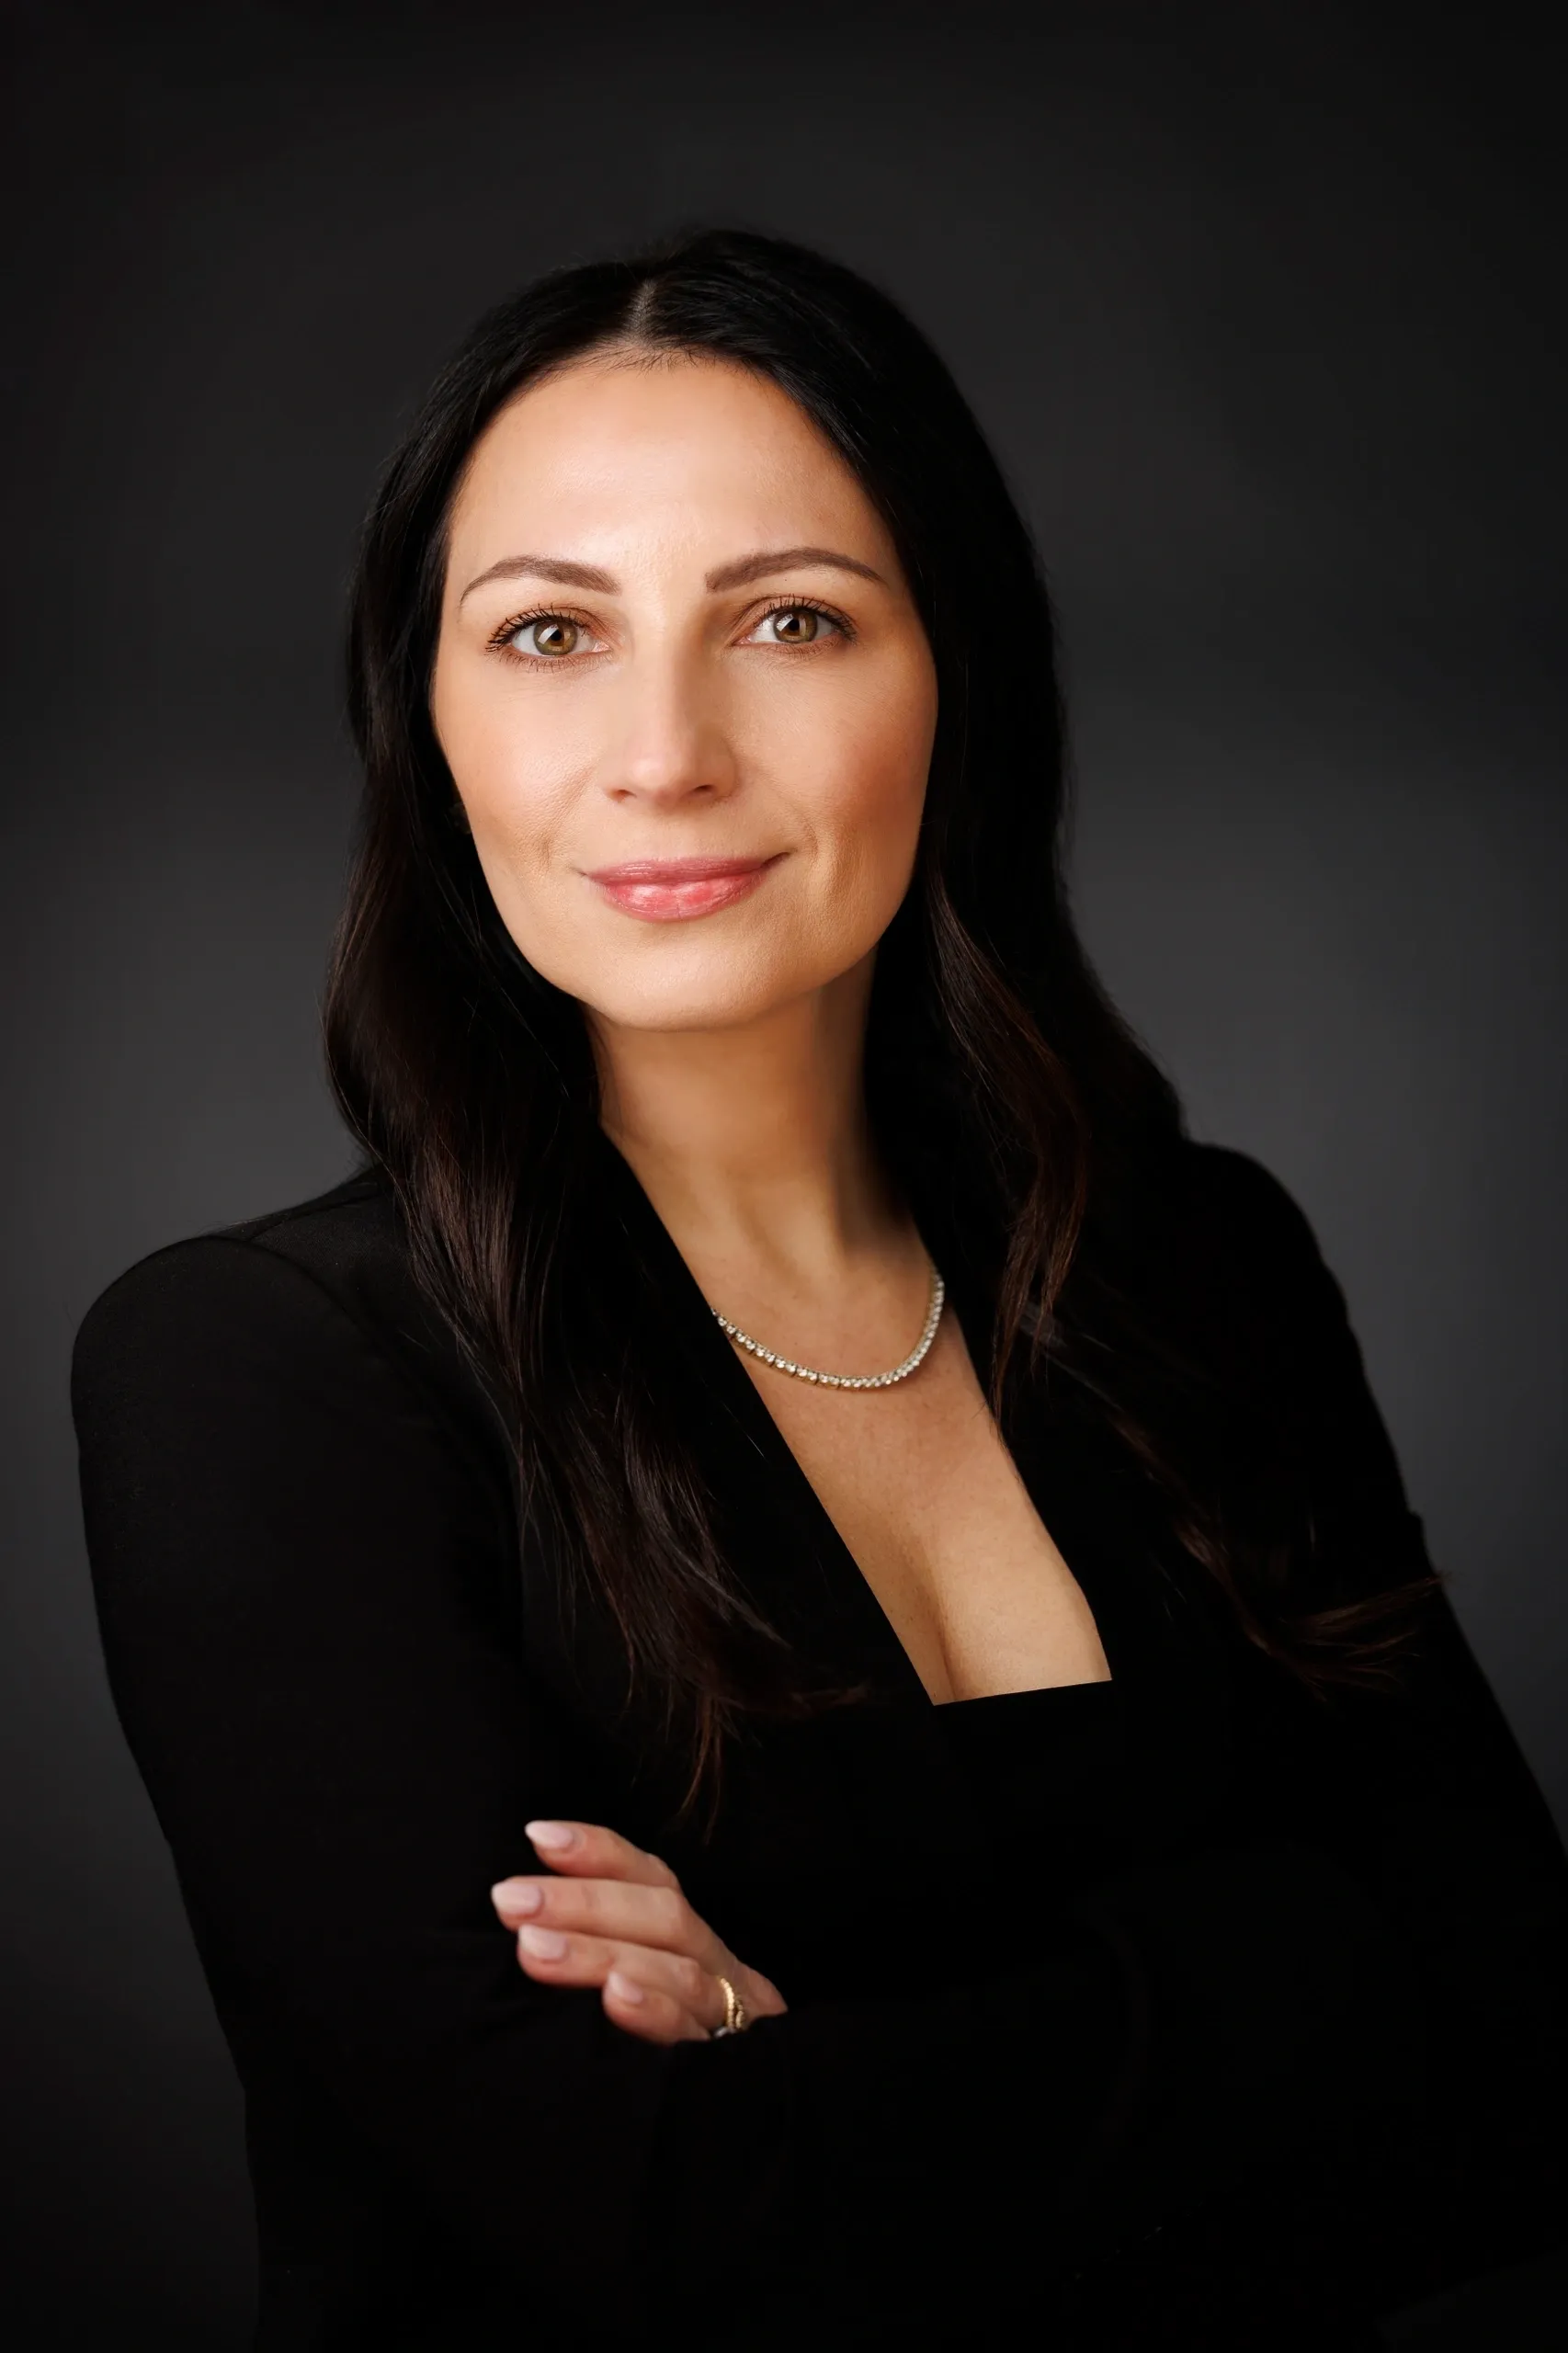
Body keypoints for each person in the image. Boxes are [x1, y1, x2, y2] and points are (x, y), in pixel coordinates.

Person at [71, 227, 1568, 2349]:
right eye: (546, 633)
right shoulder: (264, 1372)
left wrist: (820, 2052)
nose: (663, 749)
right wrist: (1302, 1969)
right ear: (427, 720)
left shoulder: (1199, 1264)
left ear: (950, 672)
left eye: (788, 618)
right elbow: (650, 2222)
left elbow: (1522, 2067)